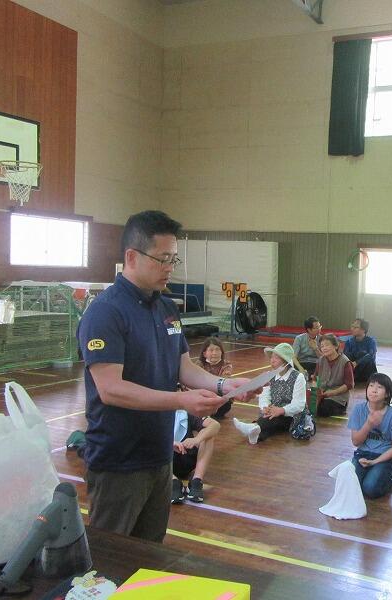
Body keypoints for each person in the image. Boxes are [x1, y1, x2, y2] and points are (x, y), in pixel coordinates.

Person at [77, 210, 249, 542]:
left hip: (159, 456)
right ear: (132, 257)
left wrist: (222, 384)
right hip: (119, 461)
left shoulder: (166, 308)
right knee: (112, 557)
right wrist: (181, 400)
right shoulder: (105, 312)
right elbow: (111, 389)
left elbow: (182, 367)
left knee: (149, 552)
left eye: (174, 259)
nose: (170, 267)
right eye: (163, 259)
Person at [233, 343, 307, 444]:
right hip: (272, 411)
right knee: (271, 418)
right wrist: (265, 407)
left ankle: (253, 426)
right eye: (272, 357)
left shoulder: (298, 377)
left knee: (276, 419)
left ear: (285, 361)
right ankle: (255, 433)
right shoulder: (269, 375)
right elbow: (264, 396)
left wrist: (282, 410)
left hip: (291, 415)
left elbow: (299, 404)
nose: (272, 360)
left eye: (277, 358)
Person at [347, 373, 392, 499]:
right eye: (371, 386)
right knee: (351, 486)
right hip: (362, 455)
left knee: (370, 489)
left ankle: (390, 476)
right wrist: (368, 424)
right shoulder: (359, 409)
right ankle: (375, 474)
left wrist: (374, 462)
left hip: (383, 457)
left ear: (387, 394)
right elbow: (356, 442)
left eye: (379, 387)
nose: (374, 390)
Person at [171, 409, 219, 504]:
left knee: (208, 434)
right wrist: (169, 443)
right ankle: (173, 482)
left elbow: (215, 425)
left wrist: (197, 439)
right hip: (163, 464)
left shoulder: (185, 412)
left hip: (185, 457)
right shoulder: (154, 413)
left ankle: (196, 481)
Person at [314, 334, 354, 417]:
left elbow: (349, 384)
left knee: (323, 408)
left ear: (336, 346)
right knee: (306, 404)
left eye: (327, 345)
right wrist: (317, 391)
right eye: (322, 346)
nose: (324, 348)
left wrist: (333, 392)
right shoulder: (321, 360)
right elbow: (316, 378)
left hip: (338, 397)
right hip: (322, 394)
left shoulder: (345, 362)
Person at [197, 337, 234, 419]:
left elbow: (223, 382)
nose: (214, 353)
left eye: (217, 350)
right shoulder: (199, 364)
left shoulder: (226, 364)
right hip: (203, 395)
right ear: (204, 353)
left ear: (221, 352)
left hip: (218, 396)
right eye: (211, 350)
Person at [343, 318, 378, 383]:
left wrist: (357, 362)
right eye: (352, 326)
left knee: (363, 354)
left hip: (367, 372)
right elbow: (344, 356)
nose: (352, 329)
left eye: (356, 327)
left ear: (363, 330)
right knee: (347, 355)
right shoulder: (349, 341)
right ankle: (351, 377)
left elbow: (371, 356)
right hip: (354, 371)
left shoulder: (371, 341)